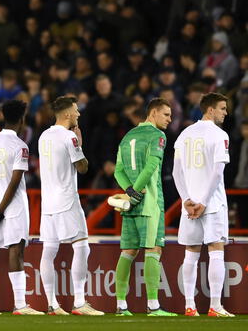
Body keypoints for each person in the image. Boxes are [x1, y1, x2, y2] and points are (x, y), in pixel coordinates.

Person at [38, 96, 103, 316]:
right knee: (82, 246)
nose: (79, 114)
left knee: (49, 250)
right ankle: (78, 302)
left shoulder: (43, 136)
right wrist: (80, 144)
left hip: (48, 203)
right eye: (76, 110)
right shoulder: (69, 137)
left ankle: (52, 304)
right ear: (67, 114)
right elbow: (82, 167)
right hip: (67, 199)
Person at [173, 92, 235, 317]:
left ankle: (190, 306)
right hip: (212, 203)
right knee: (216, 251)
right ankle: (215, 307)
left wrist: (186, 200)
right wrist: (204, 202)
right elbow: (218, 172)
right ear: (210, 110)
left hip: (188, 205)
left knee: (191, 253)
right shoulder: (220, 135)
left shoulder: (184, 134)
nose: (225, 113)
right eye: (222, 108)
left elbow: (175, 172)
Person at [113, 97, 176, 316]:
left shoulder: (127, 136)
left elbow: (117, 171)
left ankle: (121, 305)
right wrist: (137, 191)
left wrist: (129, 192)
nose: (170, 119)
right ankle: (153, 305)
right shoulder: (158, 135)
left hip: (130, 206)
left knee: (128, 251)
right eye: (166, 114)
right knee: (153, 250)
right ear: (153, 113)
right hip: (149, 203)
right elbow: (151, 167)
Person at [0, 100, 42, 315]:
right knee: (16, 250)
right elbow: (15, 182)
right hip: (12, 207)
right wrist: (1, 210)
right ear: (22, 119)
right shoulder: (20, 146)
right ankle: (20, 305)